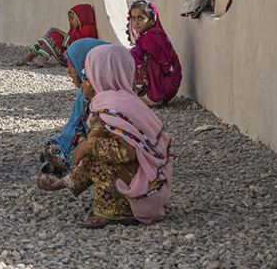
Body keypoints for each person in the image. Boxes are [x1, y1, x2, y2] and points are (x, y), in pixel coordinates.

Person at [35, 45, 175, 228]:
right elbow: (94, 157)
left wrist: (87, 145)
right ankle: (121, 205)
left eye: (87, 74)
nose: (84, 80)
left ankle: (116, 212)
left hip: (144, 192)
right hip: (152, 188)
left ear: (99, 77)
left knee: (98, 156)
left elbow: (127, 151)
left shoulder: (113, 108)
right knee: (95, 153)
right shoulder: (120, 102)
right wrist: (62, 183)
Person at [40, 37, 111, 175]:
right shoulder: (84, 95)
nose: (68, 70)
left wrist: (85, 145)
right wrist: (80, 139)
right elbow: (77, 124)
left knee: (54, 151)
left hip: (100, 150)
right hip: (85, 144)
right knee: (51, 146)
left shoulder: (107, 101)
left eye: (71, 65)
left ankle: (75, 170)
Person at [127, 0, 182, 106]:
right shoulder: (147, 35)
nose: (136, 23)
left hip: (167, 83)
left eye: (140, 18)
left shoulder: (152, 36)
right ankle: (149, 93)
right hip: (168, 83)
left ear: (152, 21)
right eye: (133, 18)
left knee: (145, 58)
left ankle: (155, 97)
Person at [14, 3, 100, 67]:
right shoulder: (76, 29)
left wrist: (61, 33)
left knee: (54, 34)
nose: (70, 21)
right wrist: (60, 33)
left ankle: (39, 59)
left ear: (82, 16)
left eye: (72, 18)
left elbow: (77, 45)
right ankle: (30, 57)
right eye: (69, 19)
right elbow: (70, 40)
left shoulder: (88, 29)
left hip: (75, 59)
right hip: (69, 54)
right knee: (52, 32)